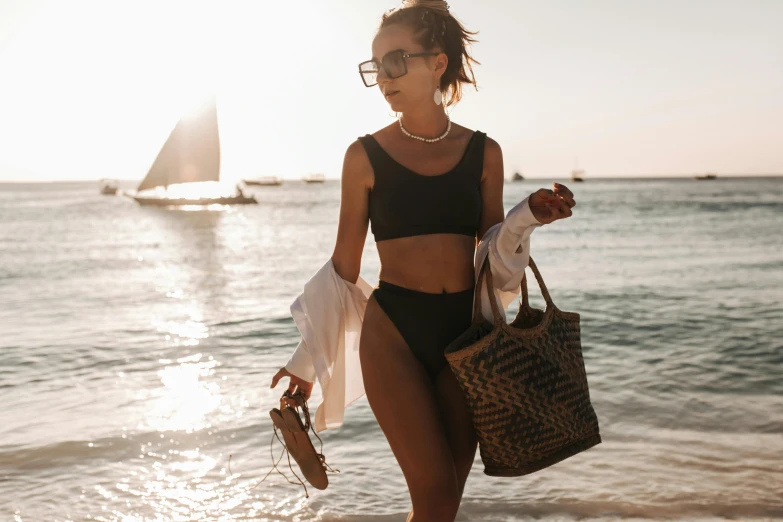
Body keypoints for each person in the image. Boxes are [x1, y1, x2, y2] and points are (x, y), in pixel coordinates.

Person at [271, 1, 575, 520]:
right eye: (375, 67)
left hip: (466, 339)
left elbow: (494, 258)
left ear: (437, 63)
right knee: (434, 492)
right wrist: (307, 360)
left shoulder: (485, 152)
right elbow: (344, 267)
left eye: (394, 62)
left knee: (440, 507)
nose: (382, 78)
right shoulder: (364, 155)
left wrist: (528, 216)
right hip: (393, 334)